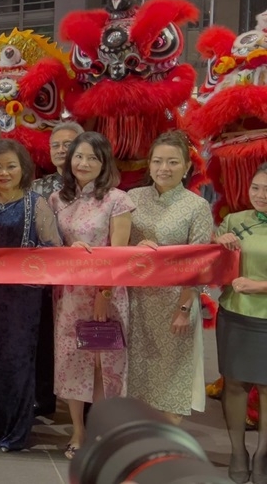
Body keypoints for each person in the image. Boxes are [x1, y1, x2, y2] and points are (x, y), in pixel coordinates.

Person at [0, 140, 63, 451]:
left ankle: (14, 433)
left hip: (23, 298)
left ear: (23, 169)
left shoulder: (36, 203)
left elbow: (54, 249)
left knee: (17, 361)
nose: (3, 172)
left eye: (11, 166)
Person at [48, 131, 135, 460]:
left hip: (105, 294)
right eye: (78, 156)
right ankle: (78, 430)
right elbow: (52, 244)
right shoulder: (59, 199)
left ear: (104, 163)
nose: (83, 163)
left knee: (103, 363)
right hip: (70, 295)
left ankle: (103, 431)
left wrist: (105, 292)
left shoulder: (117, 200)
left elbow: (120, 253)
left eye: (92, 158)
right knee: (72, 361)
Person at [126, 131, 213, 424]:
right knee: (137, 371)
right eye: (158, 161)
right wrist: (132, 247)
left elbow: (199, 264)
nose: (164, 168)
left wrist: (185, 308)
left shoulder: (196, 207)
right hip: (135, 300)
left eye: (173, 162)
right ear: (149, 164)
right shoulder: (132, 198)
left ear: (187, 166)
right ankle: (138, 437)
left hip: (175, 302)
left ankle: (167, 442)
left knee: (173, 373)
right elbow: (116, 245)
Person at [214, 163, 267, 484]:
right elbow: (208, 250)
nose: (261, 196)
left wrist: (259, 286)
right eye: (257, 188)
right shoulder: (236, 220)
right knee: (233, 385)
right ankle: (237, 451)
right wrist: (218, 238)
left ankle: (262, 454)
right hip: (234, 314)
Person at [29, 121, 84, 417]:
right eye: (56, 145)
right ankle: (43, 397)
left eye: (69, 144)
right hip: (44, 275)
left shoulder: (96, 187)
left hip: (84, 279)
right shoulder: (38, 186)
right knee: (44, 338)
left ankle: (86, 402)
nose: (62, 150)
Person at [32, 122, 85, 200]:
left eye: (67, 145)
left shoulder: (96, 185)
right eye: (55, 146)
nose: (60, 150)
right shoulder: (36, 188)